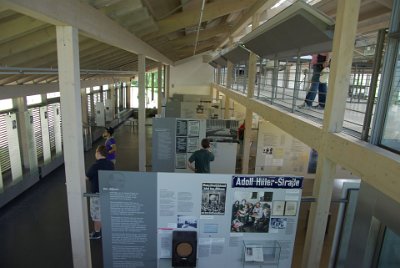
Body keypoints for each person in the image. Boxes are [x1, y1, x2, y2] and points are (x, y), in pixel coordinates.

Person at [86, 145, 115, 239]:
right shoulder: (111, 164)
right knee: (105, 212)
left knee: (97, 215)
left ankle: (97, 233)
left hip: (97, 194)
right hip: (107, 192)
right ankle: (105, 230)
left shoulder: (95, 166)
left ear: (98, 153)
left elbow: (87, 176)